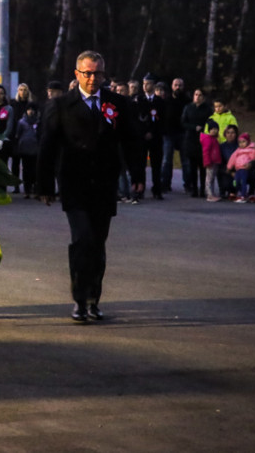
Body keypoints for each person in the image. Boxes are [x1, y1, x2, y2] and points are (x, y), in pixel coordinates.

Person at [36, 50, 141, 322]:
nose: (92, 78)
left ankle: (94, 297)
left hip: (105, 184)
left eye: (97, 73)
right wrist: (44, 183)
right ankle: (80, 299)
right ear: (77, 74)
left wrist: (139, 174)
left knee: (98, 243)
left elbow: (131, 140)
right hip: (75, 183)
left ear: (104, 75)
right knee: (82, 239)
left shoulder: (117, 103)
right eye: (87, 73)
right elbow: (47, 146)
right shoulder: (60, 105)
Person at [134, 73, 165, 199]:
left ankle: (157, 189)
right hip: (142, 137)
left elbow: (162, 120)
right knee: (141, 163)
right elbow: (136, 119)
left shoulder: (159, 102)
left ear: (153, 85)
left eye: (148, 84)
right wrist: (143, 132)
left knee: (156, 164)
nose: (145, 86)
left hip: (155, 137)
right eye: (144, 83)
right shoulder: (138, 100)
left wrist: (152, 132)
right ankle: (140, 189)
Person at [181, 88, 211, 198]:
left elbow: (211, 122)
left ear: (204, 97)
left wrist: (203, 128)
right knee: (192, 166)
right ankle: (194, 188)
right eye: (196, 94)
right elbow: (183, 122)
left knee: (202, 166)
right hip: (191, 139)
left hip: (203, 139)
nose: (197, 97)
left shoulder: (208, 109)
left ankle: (203, 189)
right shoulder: (188, 108)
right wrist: (194, 127)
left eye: (200, 95)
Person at [161, 78, 188, 193]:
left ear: (183, 87)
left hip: (183, 134)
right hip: (168, 134)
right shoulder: (166, 100)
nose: (178, 87)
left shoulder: (187, 101)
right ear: (172, 86)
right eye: (176, 85)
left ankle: (188, 184)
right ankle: (165, 184)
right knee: (167, 160)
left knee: (186, 161)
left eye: (180, 85)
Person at [15, 103, 40, 197]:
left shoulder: (38, 121)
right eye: (29, 109)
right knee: (26, 170)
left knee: (35, 170)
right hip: (25, 148)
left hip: (35, 148)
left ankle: (35, 188)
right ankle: (27, 190)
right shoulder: (21, 122)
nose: (31, 111)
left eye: (32, 109)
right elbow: (18, 134)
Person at [226, 132, 255, 203]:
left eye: (244, 142)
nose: (242, 144)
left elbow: (254, 158)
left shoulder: (251, 150)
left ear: (248, 142)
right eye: (240, 142)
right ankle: (243, 193)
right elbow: (232, 158)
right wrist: (229, 167)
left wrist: (250, 163)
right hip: (238, 169)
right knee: (236, 182)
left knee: (243, 182)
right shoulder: (237, 151)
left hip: (245, 169)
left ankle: (243, 196)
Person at [200, 119, 223, 202]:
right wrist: (207, 162)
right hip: (210, 162)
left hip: (215, 162)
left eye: (216, 129)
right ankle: (209, 194)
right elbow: (205, 152)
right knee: (209, 179)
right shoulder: (208, 139)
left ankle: (212, 193)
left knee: (212, 178)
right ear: (209, 130)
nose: (214, 131)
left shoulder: (214, 139)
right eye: (212, 129)